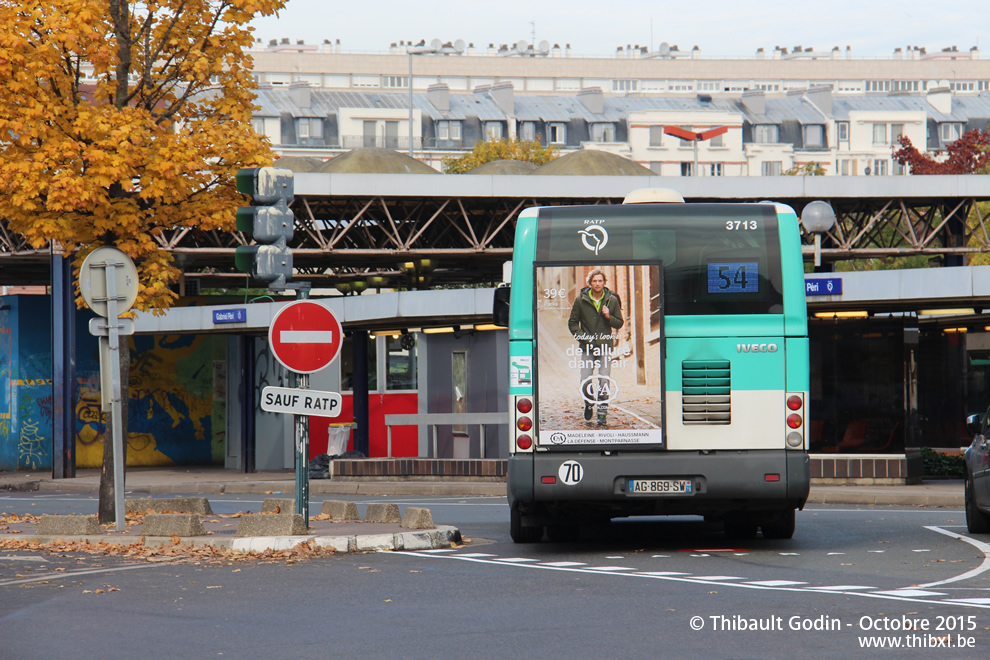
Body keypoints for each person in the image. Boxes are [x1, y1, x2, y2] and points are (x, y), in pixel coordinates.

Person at [567, 268, 624, 425]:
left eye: (600, 281)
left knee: (604, 381)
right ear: (590, 283)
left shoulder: (611, 300)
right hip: (587, 347)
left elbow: (619, 322)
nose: (597, 284)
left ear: (604, 283)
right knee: (585, 379)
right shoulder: (580, 300)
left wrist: (608, 316)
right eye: (594, 281)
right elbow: (572, 323)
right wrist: (584, 338)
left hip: (605, 346)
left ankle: (602, 413)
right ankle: (588, 402)